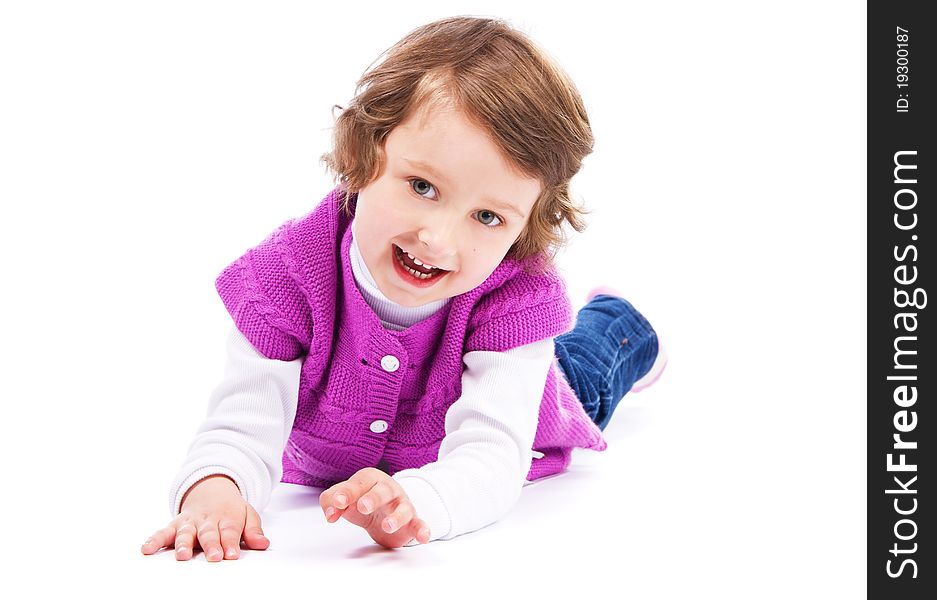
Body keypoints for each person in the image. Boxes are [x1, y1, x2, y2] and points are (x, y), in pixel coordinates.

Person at [141, 15, 666, 562]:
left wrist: (418, 502)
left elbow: (492, 457)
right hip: (343, 446)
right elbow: (242, 423)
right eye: (422, 186)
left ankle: (623, 324)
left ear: (524, 227)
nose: (438, 239)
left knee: (582, 374)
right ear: (366, 153)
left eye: (487, 217)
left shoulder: (516, 299)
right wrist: (216, 488)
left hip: (525, 407)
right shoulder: (288, 276)